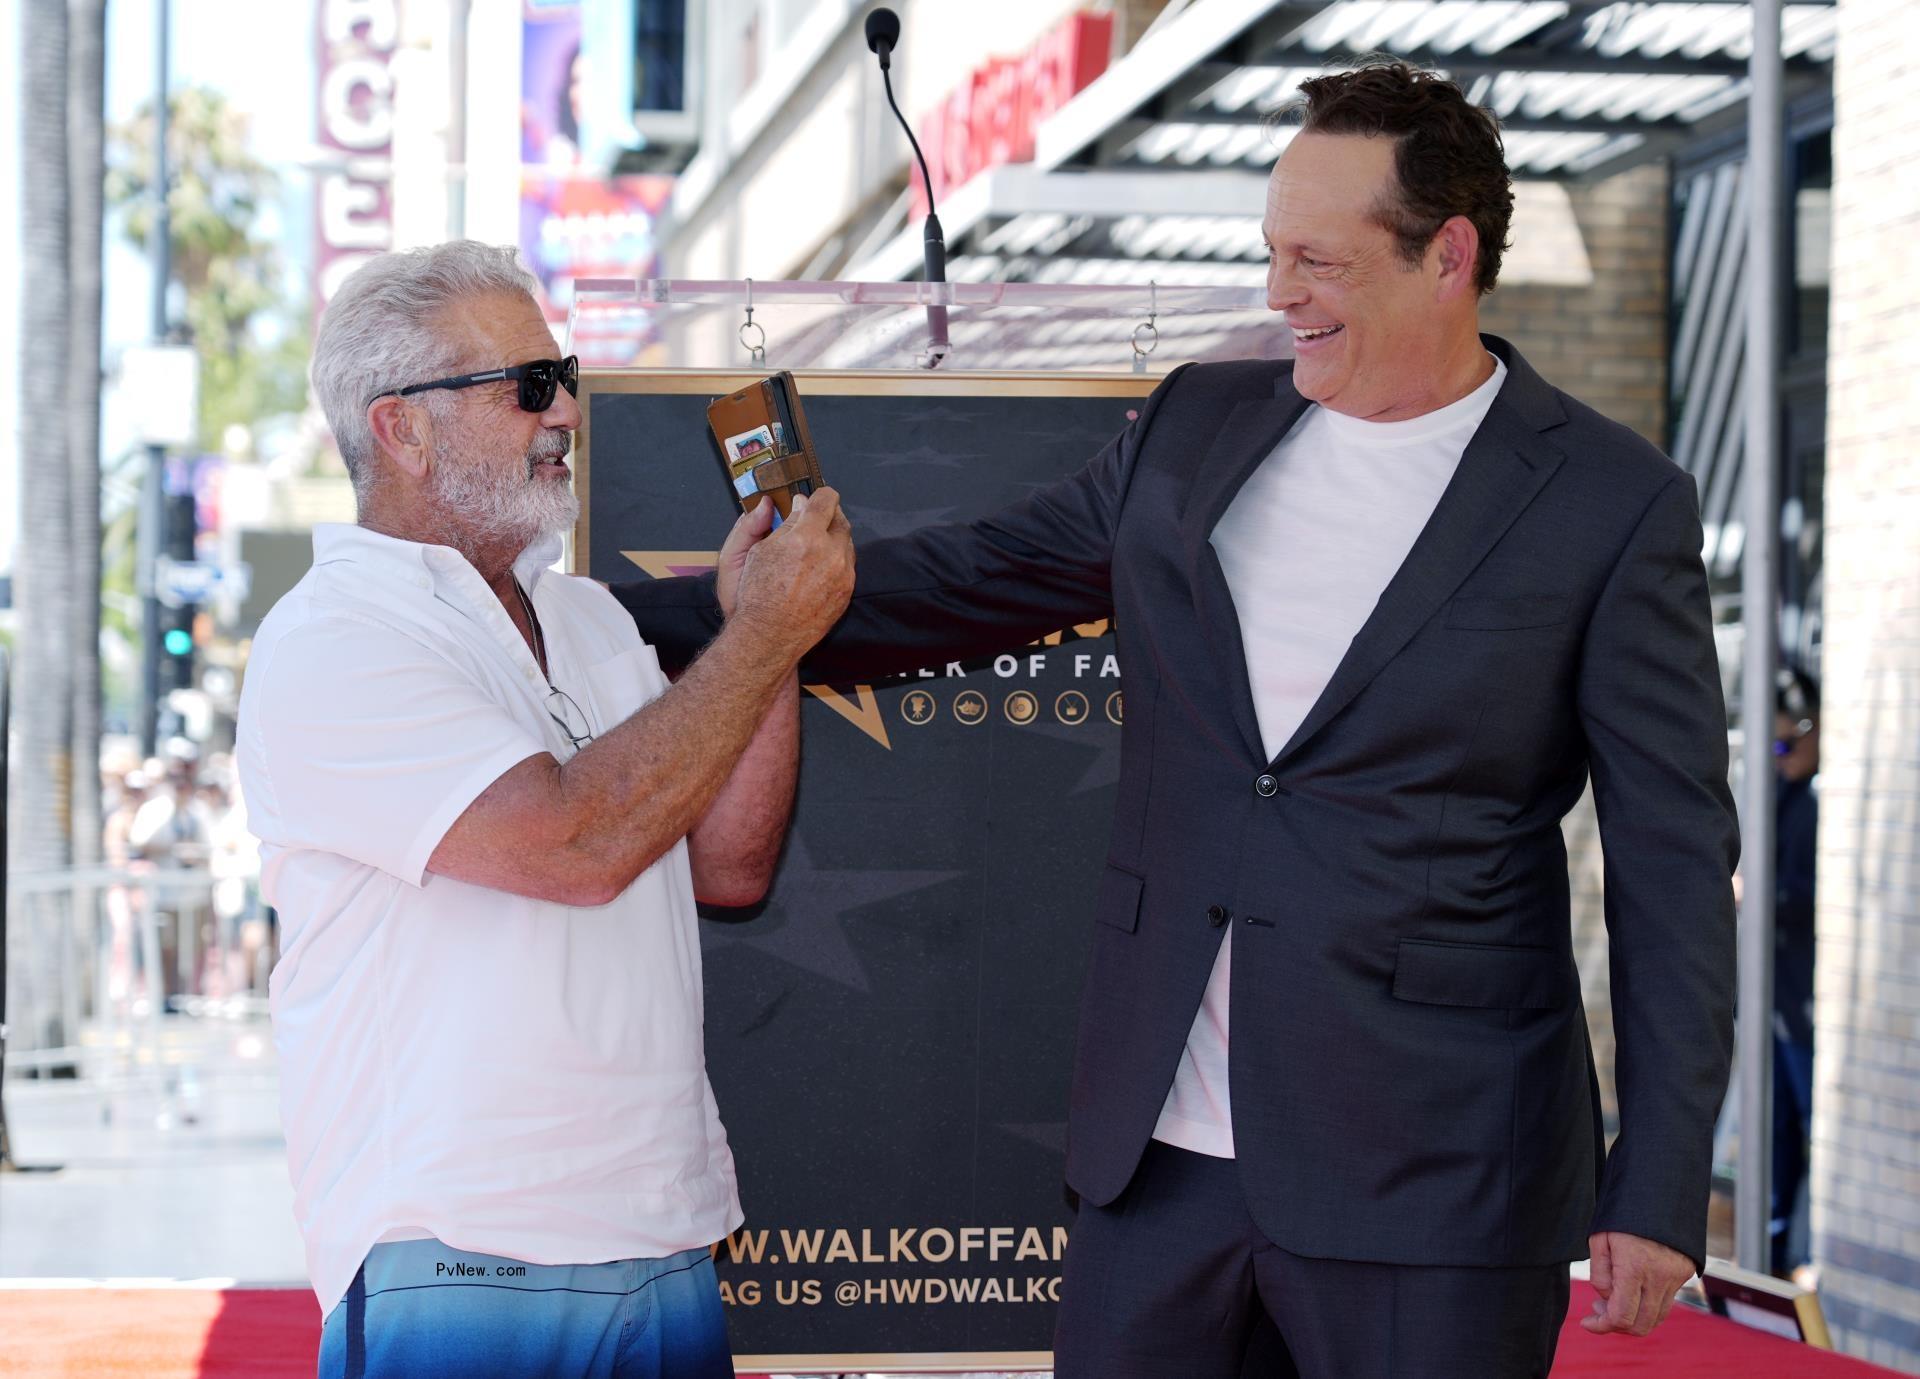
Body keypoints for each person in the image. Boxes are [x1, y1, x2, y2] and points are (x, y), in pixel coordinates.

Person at [616, 62, 1737, 1378]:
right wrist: (619, 620)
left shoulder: (1611, 502)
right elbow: (977, 579)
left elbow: (1671, 865)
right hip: (1160, 1166)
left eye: (1318, 259)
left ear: (1450, 256)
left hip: (1436, 1177)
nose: (1278, 293)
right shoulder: (1203, 421)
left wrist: (1657, 1176)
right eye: (1271, 253)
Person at [237, 241, 854, 1378]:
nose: (566, 406)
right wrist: (762, 635)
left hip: (662, 1229)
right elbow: (574, 844)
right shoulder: (334, 639)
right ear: (402, 429)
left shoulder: (587, 622)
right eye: (529, 383)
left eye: (561, 370)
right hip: (460, 1247)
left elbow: (729, 865)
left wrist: (768, 640)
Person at [1770, 667, 1819, 1278]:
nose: (1779, 757)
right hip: (1773, 999)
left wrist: (1757, 894)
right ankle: (1774, 1259)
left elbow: (1815, 895)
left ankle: (1804, 1258)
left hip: (1807, 1000)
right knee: (1776, 1132)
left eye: (1786, 744)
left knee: (1809, 1126)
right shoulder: (1782, 797)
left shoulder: (1819, 802)